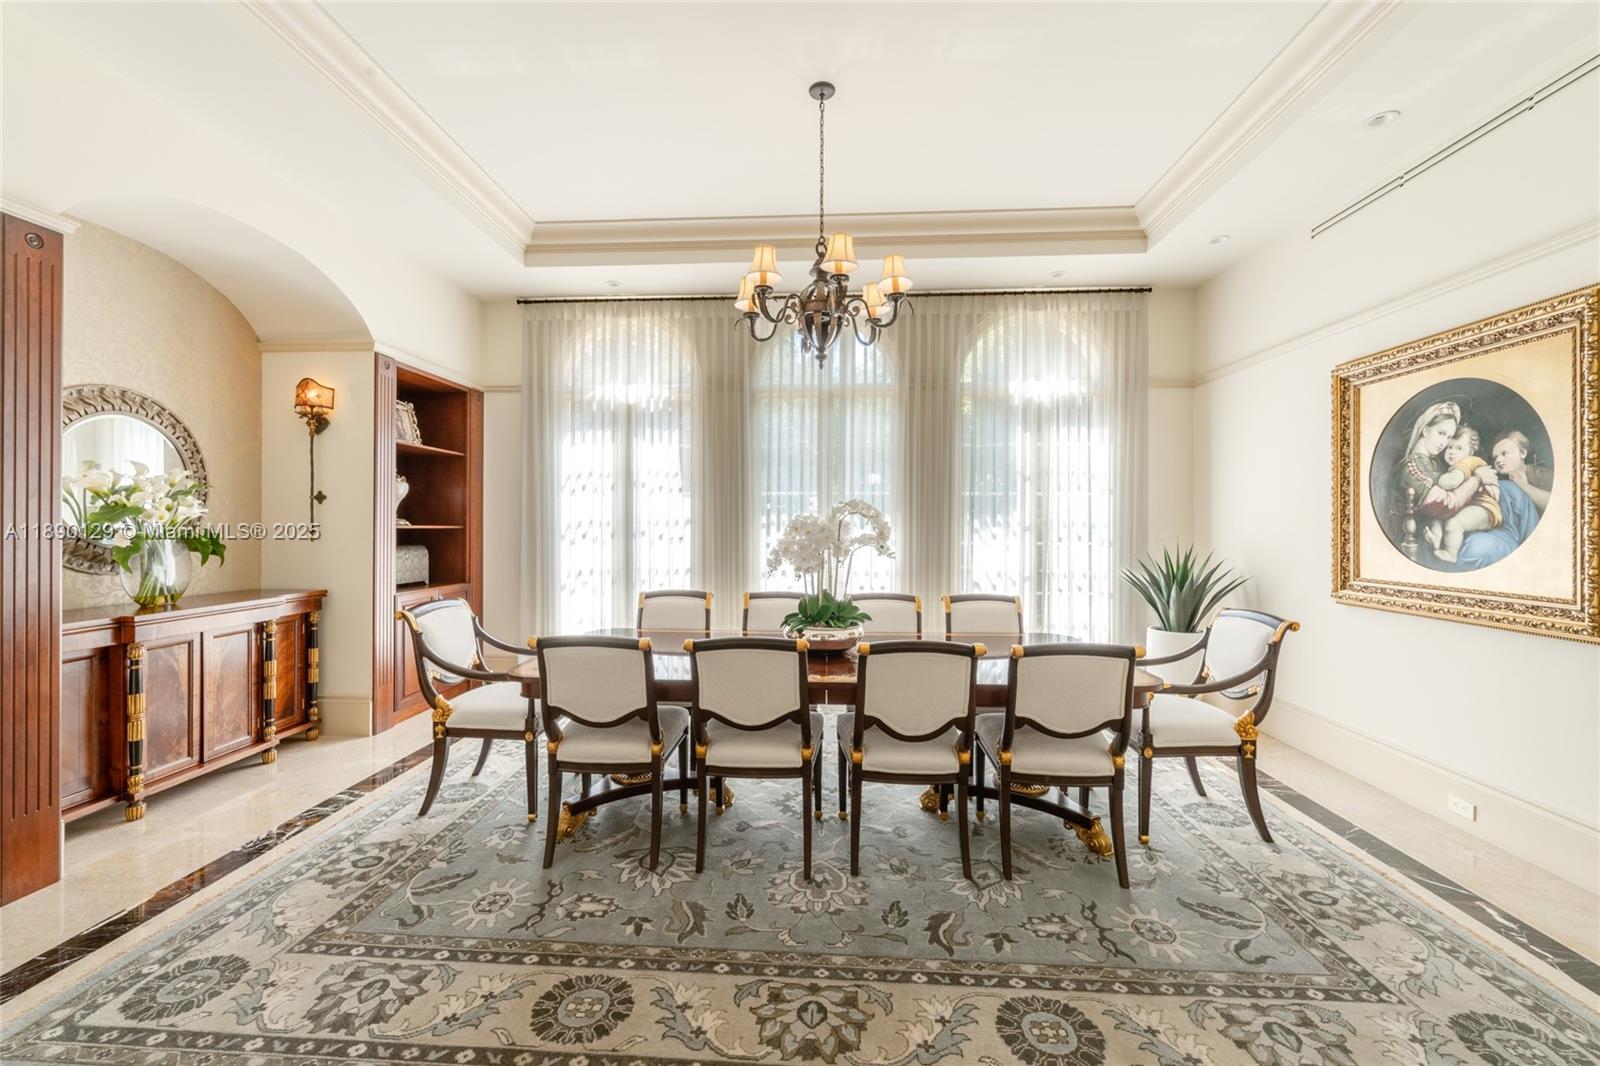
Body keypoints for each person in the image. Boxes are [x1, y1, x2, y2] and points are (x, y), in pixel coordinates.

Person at [1425, 426, 1501, 564]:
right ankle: (1435, 539)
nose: (1452, 452)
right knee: (1437, 516)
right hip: (1465, 506)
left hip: (1483, 508)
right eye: (1449, 447)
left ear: (1470, 451)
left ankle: (1450, 553)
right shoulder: (1452, 466)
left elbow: (1452, 482)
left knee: (1453, 524)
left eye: (1459, 448)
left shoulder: (1469, 461)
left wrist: (1434, 480)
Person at [1491, 430, 1553, 512]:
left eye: (1504, 453)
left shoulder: (1543, 474)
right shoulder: (1499, 482)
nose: (1498, 460)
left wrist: (1524, 486)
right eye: (1495, 457)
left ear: (1523, 453)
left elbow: (1555, 504)